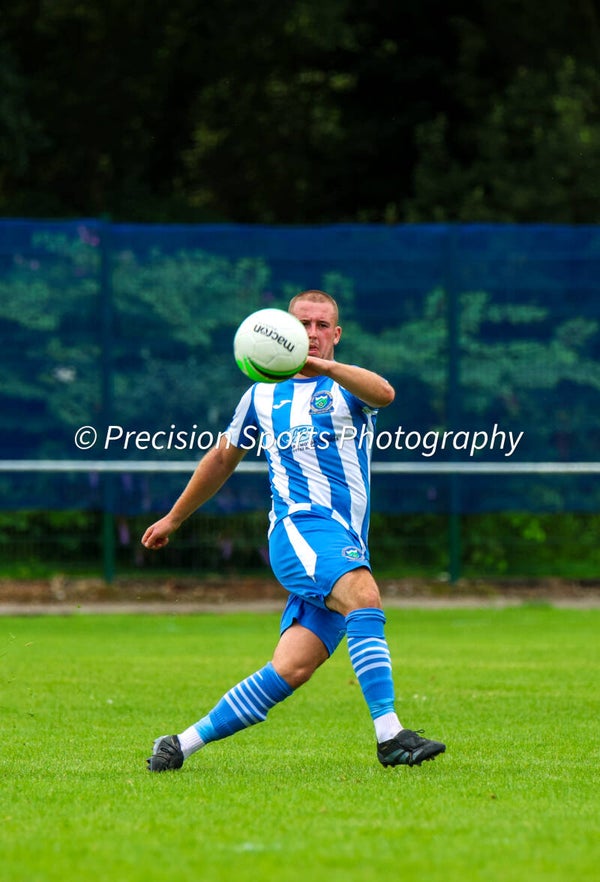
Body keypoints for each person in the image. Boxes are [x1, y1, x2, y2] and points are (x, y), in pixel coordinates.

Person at [142, 289, 446, 771]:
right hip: (300, 529)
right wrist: (174, 517)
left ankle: (180, 743)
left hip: (343, 538)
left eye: (322, 325)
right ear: (284, 328)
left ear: (336, 334)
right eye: (303, 323)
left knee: (291, 668)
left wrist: (325, 368)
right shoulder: (261, 395)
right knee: (363, 594)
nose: (312, 333)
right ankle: (390, 735)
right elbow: (222, 458)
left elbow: (385, 393)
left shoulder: (346, 386)